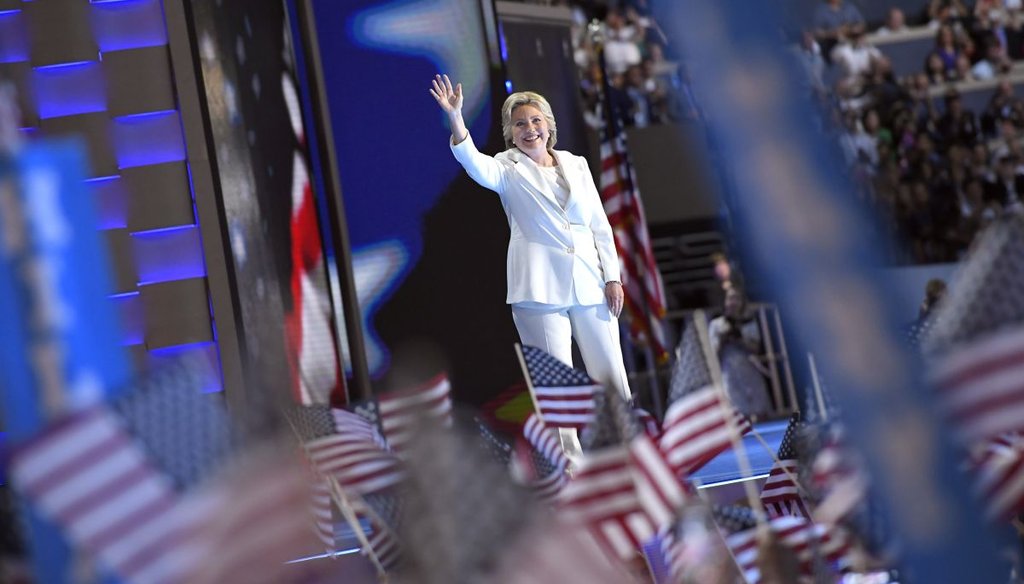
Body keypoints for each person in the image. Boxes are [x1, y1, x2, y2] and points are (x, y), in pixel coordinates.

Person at [429, 74, 632, 399]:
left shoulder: (576, 164)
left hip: (591, 284)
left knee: (613, 379)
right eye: (520, 123)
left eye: (536, 120)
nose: (530, 128)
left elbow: (600, 225)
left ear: (549, 125)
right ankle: (567, 452)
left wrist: (613, 277)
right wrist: (455, 118)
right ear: (511, 133)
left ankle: (630, 446)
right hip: (539, 291)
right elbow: (474, 163)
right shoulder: (506, 168)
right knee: (556, 391)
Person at [708, 287, 773, 418]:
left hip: (750, 369)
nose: (734, 302)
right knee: (736, 412)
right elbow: (712, 354)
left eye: (737, 298)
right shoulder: (716, 324)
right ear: (725, 301)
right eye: (730, 298)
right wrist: (723, 338)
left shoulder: (749, 322)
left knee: (760, 409)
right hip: (729, 372)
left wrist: (740, 336)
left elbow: (756, 347)